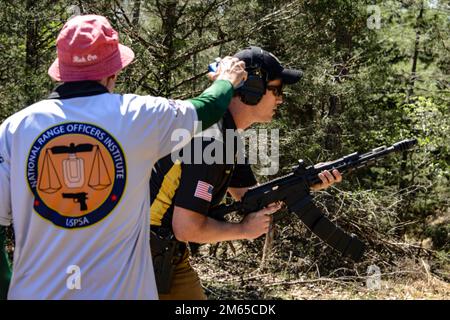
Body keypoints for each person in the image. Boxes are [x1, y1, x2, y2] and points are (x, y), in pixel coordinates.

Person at [0, 14, 247, 300]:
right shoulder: (137, 116)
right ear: (112, 73)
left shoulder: (13, 130)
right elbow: (206, 109)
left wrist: (8, 287)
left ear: (61, 71)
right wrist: (226, 79)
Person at [149, 46, 342, 300]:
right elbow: (187, 228)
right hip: (142, 256)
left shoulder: (225, 135)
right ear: (251, 90)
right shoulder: (211, 139)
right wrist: (243, 230)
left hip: (166, 255)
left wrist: (305, 184)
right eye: (277, 90)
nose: (281, 99)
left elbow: (251, 198)